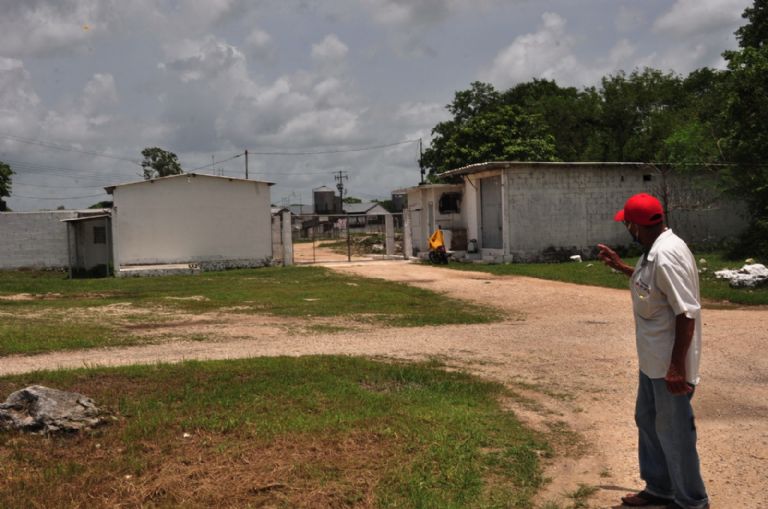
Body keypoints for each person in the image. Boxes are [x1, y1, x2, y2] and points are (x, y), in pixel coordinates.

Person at [597, 193, 709, 509]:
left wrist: (676, 367)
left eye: (627, 224)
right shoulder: (654, 251)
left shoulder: (667, 255)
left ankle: (692, 501)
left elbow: (686, 312)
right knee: (647, 419)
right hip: (653, 361)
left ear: (635, 226)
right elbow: (652, 287)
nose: (627, 230)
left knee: (675, 434)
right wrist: (622, 267)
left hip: (668, 365)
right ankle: (660, 488)